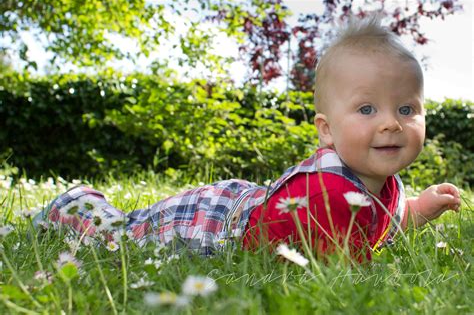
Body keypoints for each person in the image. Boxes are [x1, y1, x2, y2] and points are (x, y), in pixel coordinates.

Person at [34, 16, 461, 261]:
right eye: (367, 109)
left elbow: (379, 222)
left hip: (248, 200)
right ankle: (73, 203)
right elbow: (344, 272)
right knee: (121, 236)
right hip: (211, 224)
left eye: (406, 109)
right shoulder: (326, 195)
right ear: (326, 129)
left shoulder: (380, 181)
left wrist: (418, 208)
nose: (391, 123)